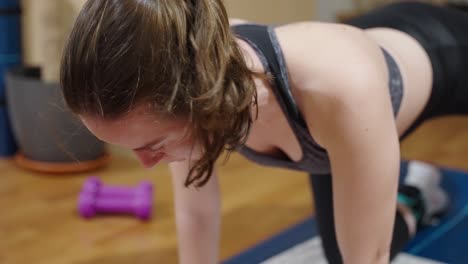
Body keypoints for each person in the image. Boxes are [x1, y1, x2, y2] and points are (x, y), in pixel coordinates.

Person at [59, 0, 464, 263]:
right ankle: (415, 193)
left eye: (154, 145)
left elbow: (369, 259)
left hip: (445, 50)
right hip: (349, 111)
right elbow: (196, 215)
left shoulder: (338, 90)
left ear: (200, 97)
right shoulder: (178, 72)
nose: (146, 164)